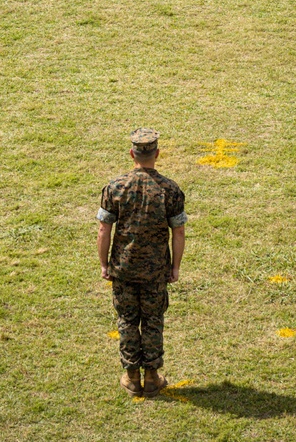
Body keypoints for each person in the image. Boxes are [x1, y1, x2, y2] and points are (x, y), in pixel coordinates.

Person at [97, 128, 186, 399]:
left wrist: (104, 264)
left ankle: (132, 377)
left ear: (131, 154)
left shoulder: (115, 187)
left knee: (127, 320)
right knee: (153, 320)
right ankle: (152, 377)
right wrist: (175, 268)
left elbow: (104, 230)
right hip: (156, 270)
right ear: (157, 154)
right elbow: (178, 231)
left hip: (123, 268)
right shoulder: (170, 189)